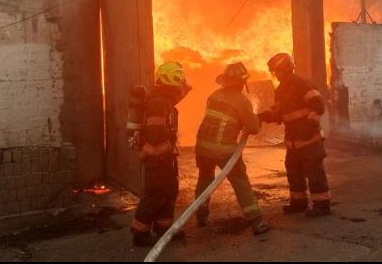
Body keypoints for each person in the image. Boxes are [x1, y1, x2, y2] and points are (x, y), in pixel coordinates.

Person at [194, 62, 271, 235]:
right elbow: (253, 129)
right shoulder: (242, 100)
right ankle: (256, 221)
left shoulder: (213, 95)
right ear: (242, 82)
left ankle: (201, 214)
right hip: (224, 150)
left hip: (202, 147)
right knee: (239, 180)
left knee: (205, 178)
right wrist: (258, 118)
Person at [258, 53, 332, 218]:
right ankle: (299, 203)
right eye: (274, 72)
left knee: (314, 172)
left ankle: (322, 205)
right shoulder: (281, 90)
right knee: (293, 171)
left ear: (286, 69)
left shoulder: (301, 84)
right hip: (293, 140)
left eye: (277, 71)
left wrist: (310, 124)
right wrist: (261, 117)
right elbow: (277, 113)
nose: (275, 75)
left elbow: (319, 105)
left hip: (309, 138)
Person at [130, 61, 191, 247]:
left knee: (169, 191)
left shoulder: (164, 99)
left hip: (165, 157)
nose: (182, 83)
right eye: (180, 79)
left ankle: (164, 229)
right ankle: (140, 233)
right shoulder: (158, 102)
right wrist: (166, 148)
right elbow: (155, 133)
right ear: (173, 79)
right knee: (155, 194)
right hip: (157, 157)